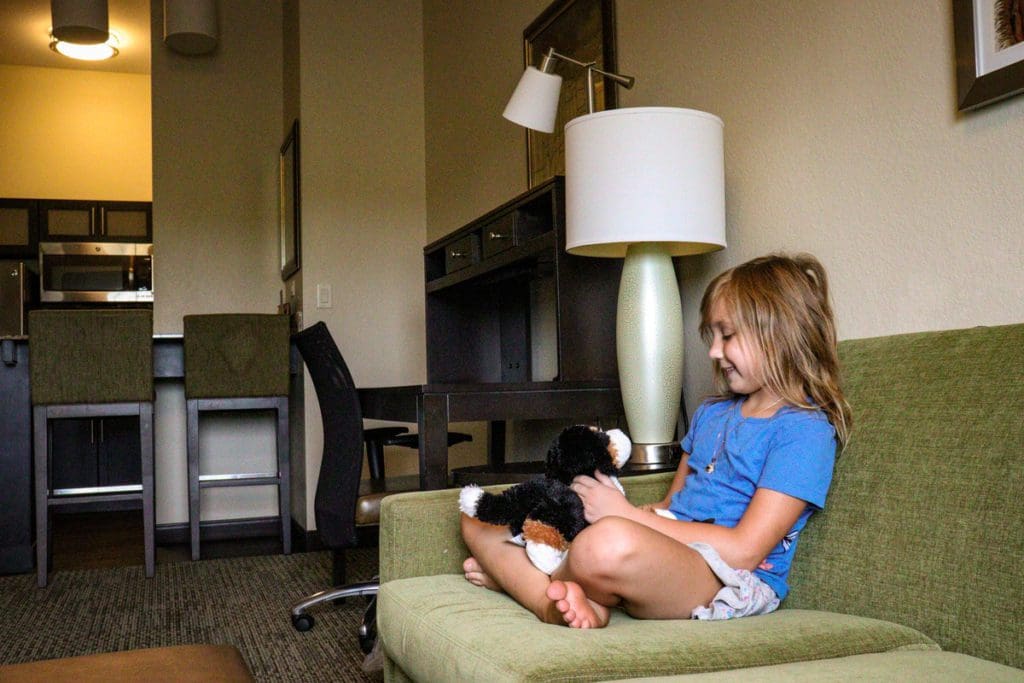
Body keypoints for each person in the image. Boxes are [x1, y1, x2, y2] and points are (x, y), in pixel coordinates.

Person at [460, 253, 852, 628]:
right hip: (662, 552)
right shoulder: (712, 413)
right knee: (480, 514)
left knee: (606, 542)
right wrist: (604, 507)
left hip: (722, 577)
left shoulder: (804, 431)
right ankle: (563, 590)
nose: (714, 351)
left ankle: (535, 590)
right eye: (712, 336)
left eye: (727, 335)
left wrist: (623, 517)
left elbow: (745, 550)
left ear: (780, 334)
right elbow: (670, 506)